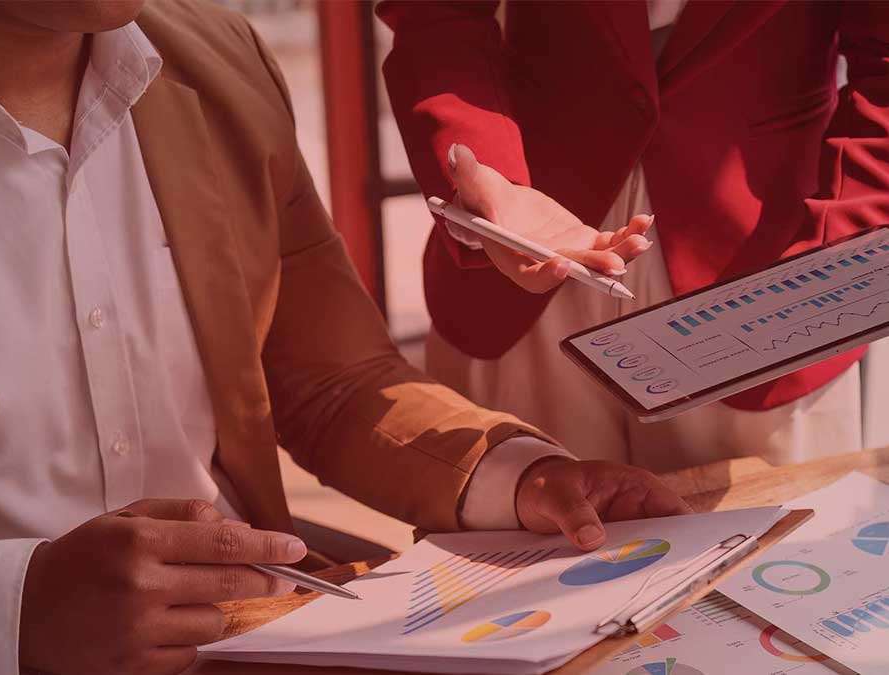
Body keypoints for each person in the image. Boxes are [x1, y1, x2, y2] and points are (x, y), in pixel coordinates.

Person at [0, 2, 692, 674]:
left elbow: (332, 382)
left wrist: (530, 478)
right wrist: (20, 608)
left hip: (252, 623)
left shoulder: (217, 65)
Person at [378, 0, 889, 471]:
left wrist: (835, 257)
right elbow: (439, 11)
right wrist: (486, 171)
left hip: (768, 265)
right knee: (513, 549)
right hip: (525, 243)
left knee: (775, 562)